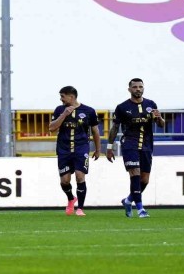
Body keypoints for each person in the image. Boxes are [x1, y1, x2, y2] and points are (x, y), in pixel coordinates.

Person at [107, 78, 164, 218]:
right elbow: (115, 128)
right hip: (129, 144)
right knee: (135, 174)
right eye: (135, 87)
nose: (138, 89)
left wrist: (159, 118)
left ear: (143, 88)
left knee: (144, 180)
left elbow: (161, 124)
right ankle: (140, 209)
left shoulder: (151, 104)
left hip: (146, 145)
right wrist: (109, 147)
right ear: (129, 89)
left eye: (140, 87)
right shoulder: (122, 107)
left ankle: (128, 201)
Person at [48, 86, 101, 216]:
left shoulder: (89, 111)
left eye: (62, 96)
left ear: (71, 97)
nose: (61, 99)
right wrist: (64, 114)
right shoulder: (59, 110)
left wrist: (98, 149)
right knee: (64, 181)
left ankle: (80, 208)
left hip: (81, 148)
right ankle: (71, 199)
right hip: (64, 149)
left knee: (79, 176)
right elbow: (52, 128)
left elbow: (95, 131)